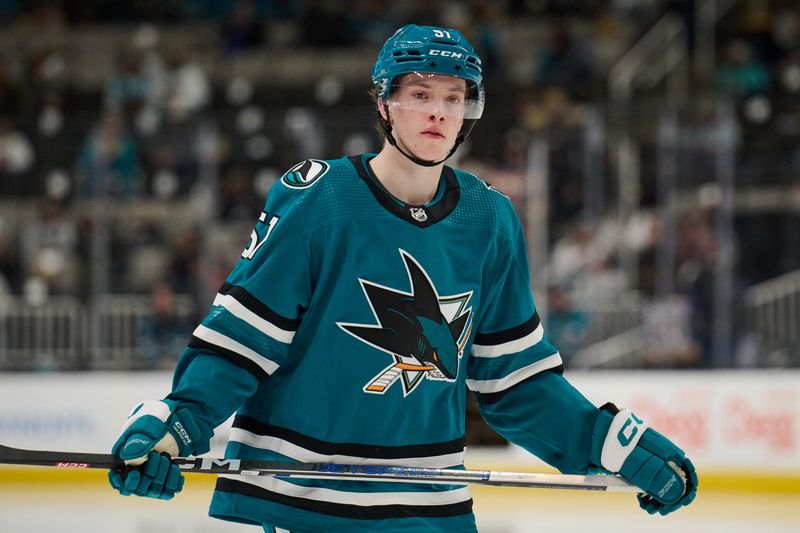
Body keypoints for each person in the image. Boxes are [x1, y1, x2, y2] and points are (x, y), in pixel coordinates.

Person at [109, 25, 697, 532]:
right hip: (307, 503)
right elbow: (243, 341)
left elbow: (513, 381)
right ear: (384, 103)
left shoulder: (489, 220)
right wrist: (180, 421)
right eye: (419, 94)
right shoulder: (320, 199)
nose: (438, 111)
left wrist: (605, 440)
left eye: (453, 96)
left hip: (429, 505)